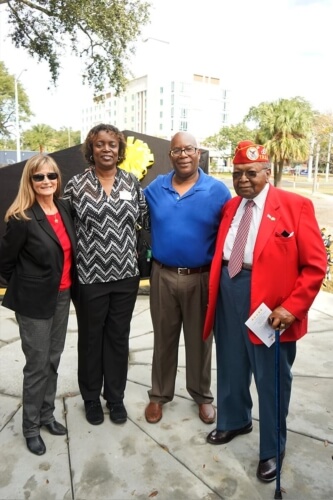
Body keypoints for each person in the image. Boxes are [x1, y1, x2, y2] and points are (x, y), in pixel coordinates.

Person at [203, 140, 327, 482]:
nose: (243, 180)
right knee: (229, 364)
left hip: (270, 306)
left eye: (251, 173)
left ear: (266, 173)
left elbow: (316, 265)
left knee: (271, 378)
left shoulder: (294, 206)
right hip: (230, 291)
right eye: (237, 173)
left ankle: (272, 449)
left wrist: (293, 307)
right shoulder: (232, 207)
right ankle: (234, 420)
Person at [63, 124, 149, 426]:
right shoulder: (76, 185)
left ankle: (115, 398)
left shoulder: (131, 183)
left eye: (112, 144)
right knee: (90, 339)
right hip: (89, 276)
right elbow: (65, 227)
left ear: (120, 149)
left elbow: (143, 221)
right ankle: (90, 398)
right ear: (91, 149)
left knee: (117, 337)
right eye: (100, 144)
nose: (107, 149)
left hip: (126, 276)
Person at [144, 131, 231, 424]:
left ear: (198, 153)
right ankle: (159, 395)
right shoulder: (155, 188)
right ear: (170, 155)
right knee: (163, 339)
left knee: (200, 341)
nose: (183, 154)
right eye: (177, 150)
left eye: (189, 149)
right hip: (163, 275)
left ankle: (201, 396)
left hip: (201, 278)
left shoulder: (217, 191)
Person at [0, 154, 76, 456]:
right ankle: (30, 427)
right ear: (29, 181)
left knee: (53, 360)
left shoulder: (64, 208)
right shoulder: (21, 217)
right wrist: (27, 284)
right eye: (39, 177)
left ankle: (47, 416)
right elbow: (5, 263)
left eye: (51, 176)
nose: (46, 181)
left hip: (63, 296)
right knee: (36, 366)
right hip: (34, 303)